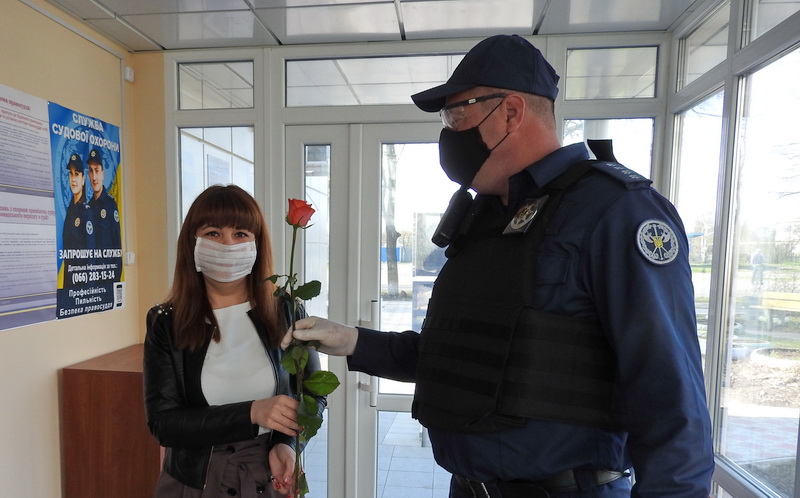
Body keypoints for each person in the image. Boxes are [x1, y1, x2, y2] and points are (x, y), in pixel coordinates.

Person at [284, 35, 714, 497]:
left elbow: (671, 397)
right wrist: (351, 340)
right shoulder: (485, 218)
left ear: (510, 112)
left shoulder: (613, 211)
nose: (449, 134)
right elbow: (460, 356)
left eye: (457, 116)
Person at [144, 184, 325, 497]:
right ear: (192, 242)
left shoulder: (286, 311)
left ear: (257, 244)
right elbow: (163, 423)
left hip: (267, 477)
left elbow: (313, 394)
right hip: (195, 483)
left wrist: (288, 443)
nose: (227, 244)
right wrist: (251, 413)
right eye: (213, 233)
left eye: (240, 233)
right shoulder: (166, 321)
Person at [86, 147, 122, 278]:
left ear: (102, 173)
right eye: (91, 171)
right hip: (92, 277)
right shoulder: (88, 207)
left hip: (107, 277)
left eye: (97, 170)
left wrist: (115, 279)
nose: (94, 177)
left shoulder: (110, 205)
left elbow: (117, 246)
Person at [61, 152, 94, 288]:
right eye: (71, 174)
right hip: (69, 283)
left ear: (83, 179)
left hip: (82, 286)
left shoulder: (86, 211)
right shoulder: (70, 210)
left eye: (77, 174)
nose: (73, 179)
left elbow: (91, 255)